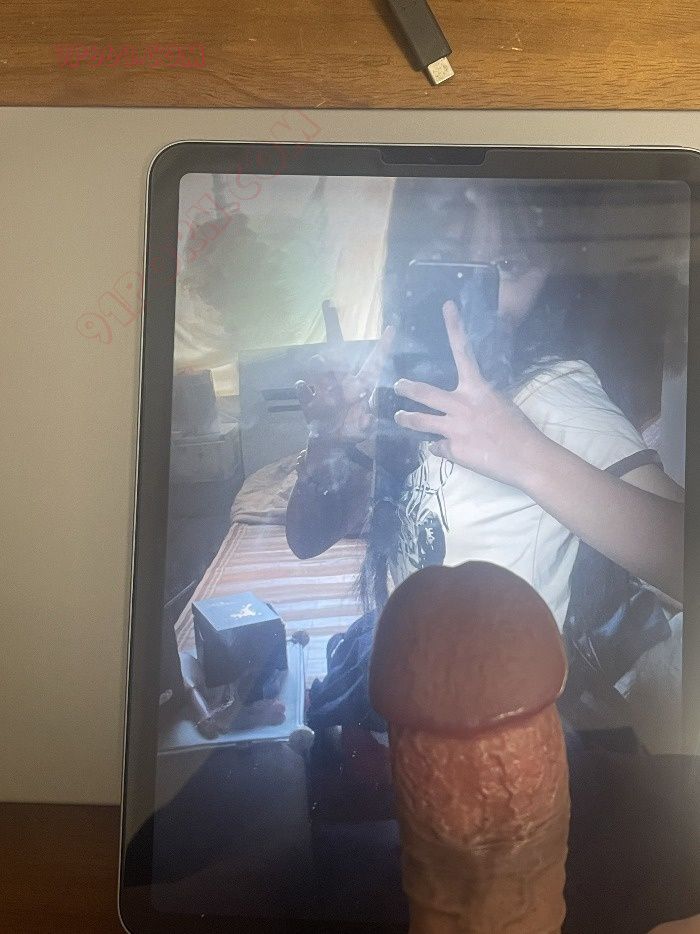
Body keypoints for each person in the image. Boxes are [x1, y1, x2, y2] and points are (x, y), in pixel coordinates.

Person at [285, 181, 684, 731]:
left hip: (499, 723)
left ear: (549, 275)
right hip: (407, 679)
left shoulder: (555, 391)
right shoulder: (409, 381)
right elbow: (306, 542)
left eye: (508, 266)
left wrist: (522, 451)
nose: (479, 296)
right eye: (450, 261)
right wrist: (330, 442)